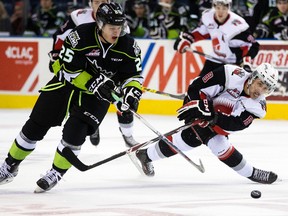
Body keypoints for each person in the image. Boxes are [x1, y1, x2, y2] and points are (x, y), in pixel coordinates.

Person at [0, 2, 143, 193]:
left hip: (97, 97)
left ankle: (56, 172)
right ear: (100, 25)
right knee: (34, 127)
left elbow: (133, 76)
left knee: (74, 135)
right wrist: (92, 82)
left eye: (119, 27)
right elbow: (65, 67)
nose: (116, 32)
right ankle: (9, 166)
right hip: (65, 86)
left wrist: (132, 92)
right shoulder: (80, 35)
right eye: (112, 28)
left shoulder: (129, 45)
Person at [135, 62, 279, 185]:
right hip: (198, 106)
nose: (260, 91)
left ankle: (146, 155)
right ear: (253, 77)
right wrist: (200, 105)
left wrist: (213, 118)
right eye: (260, 84)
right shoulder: (230, 74)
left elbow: (236, 125)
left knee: (191, 139)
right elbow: (197, 87)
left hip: (217, 123)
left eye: (265, 89)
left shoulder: (259, 107)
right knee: (217, 144)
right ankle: (251, 173)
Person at [50, 0, 139, 147]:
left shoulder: (118, 22)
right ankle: (92, 124)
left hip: (108, 67)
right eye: (97, 1)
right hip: (85, 68)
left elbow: (123, 51)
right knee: (82, 100)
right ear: (91, 3)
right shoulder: (78, 17)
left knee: (124, 101)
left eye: (104, 1)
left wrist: (123, 79)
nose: (100, 4)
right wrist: (56, 54)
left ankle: (128, 135)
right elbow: (60, 36)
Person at [174, 0, 259, 75]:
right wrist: (187, 39)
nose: (220, 12)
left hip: (231, 64)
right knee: (197, 86)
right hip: (214, 59)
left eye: (224, 8)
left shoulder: (238, 24)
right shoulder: (208, 17)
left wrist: (246, 63)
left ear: (229, 8)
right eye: (218, 8)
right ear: (214, 7)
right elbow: (200, 33)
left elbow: (253, 45)